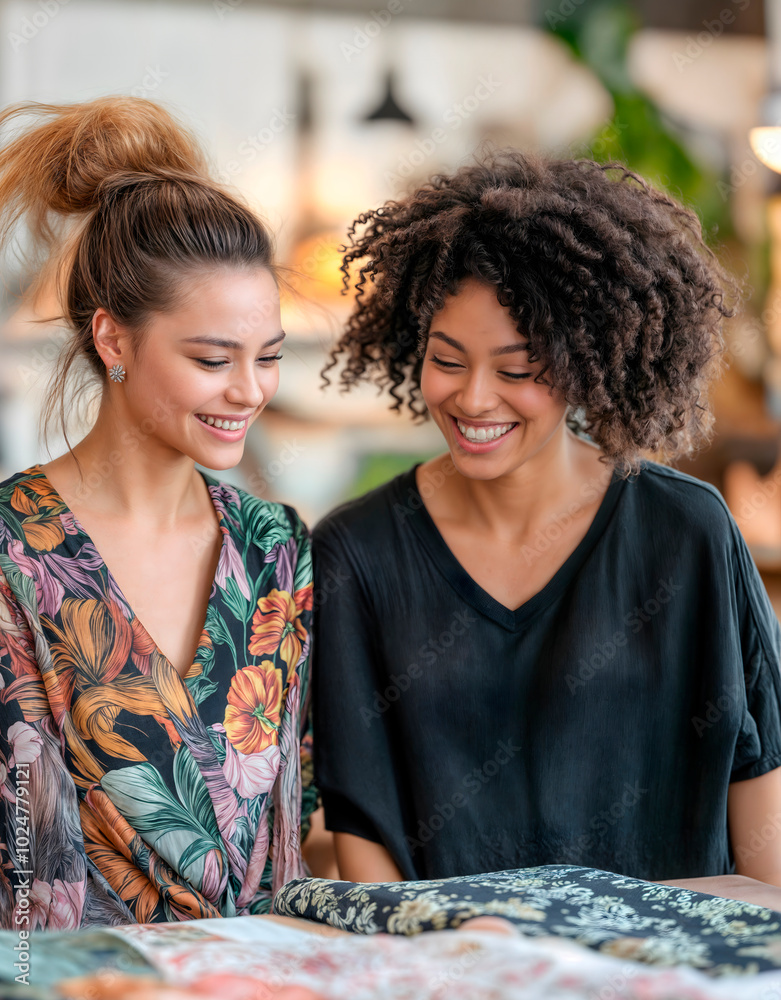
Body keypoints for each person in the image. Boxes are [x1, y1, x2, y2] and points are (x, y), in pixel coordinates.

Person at [312, 150, 781, 887]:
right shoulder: (356, 552)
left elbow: (762, 834)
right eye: (447, 359)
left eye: (517, 370)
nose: (472, 399)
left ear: (584, 362)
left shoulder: (685, 532)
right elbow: (362, 833)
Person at [0, 97, 318, 929]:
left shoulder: (275, 545)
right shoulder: (14, 552)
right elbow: (28, 858)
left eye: (268, 357)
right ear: (113, 341)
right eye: (212, 359)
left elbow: (291, 827)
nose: (248, 390)